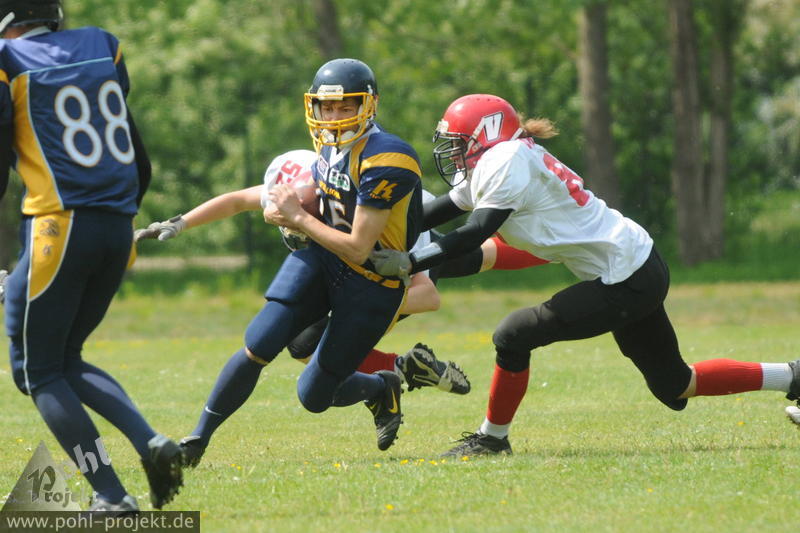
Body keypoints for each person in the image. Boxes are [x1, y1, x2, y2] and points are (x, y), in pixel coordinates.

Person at [370, 93, 800, 456]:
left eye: (458, 143)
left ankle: (492, 439)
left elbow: (476, 231)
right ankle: (793, 375)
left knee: (513, 334)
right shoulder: (504, 157)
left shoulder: (506, 159)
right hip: (634, 263)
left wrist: (411, 262)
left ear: (485, 135)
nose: (452, 153)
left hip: (626, 275)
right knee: (676, 385)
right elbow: (435, 212)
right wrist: (371, 222)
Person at [161, 58, 423, 458]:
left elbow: (358, 247)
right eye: (327, 107)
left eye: (346, 106)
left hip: (372, 282)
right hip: (323, 259)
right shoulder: (327, 145)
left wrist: (298, 217)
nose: (334, 117)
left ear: (368, 105)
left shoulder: (388, 158)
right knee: (258, 342)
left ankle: (379, 386)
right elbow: (273, 198)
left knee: (314, 395)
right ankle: (197, 439)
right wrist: (282, 209)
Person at [0, 1, 182, 513]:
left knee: (38, 372)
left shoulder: (8, 61)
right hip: (117, 224)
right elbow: (137, 155)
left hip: (58, 227)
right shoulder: (102, 45)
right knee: (65, 358)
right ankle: (151, 443)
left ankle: (111, 495)